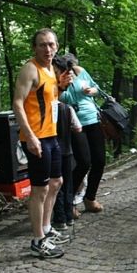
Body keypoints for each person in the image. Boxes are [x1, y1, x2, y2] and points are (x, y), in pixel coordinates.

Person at [12, 28, 72, 259]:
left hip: (51, 135)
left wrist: (61, 87)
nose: (47, 49)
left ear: (57, 46)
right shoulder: (30, 69)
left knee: (56, 182)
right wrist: (30, 136)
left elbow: (50, 101)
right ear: (34, 47)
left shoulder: (50, 70)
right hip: (36, 137)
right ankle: (38, 240)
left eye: (51, 44)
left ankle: (46, 229)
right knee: (40, 189)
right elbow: (18, 103)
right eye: (42, 45)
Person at [59, 54, 107, 213]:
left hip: (93, 119)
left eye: (71, 66)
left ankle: (90, 198)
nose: (70, 69)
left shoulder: (80, 71)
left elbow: (96, 89)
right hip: (74, 124)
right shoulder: (57, 78)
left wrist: (91, 90)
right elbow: (61, 98)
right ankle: (68, 202)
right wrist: (65, 85)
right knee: (84, 163)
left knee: (99, 161)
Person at [50, 98, 82, 232]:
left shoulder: (47, 108)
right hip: (67, 151)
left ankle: (60, 218)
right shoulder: (68, 108)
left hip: (53, 151)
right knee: (68, 184)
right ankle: (69, 216)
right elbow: (78, 128)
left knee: (56, 185)